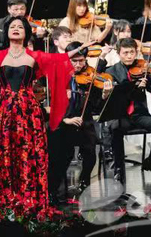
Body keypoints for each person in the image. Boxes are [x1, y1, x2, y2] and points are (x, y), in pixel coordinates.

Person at [0, 16, 93, 223]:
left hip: (28, 111)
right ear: (7, 31)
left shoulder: (33, 55)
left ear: (26, 33)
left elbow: (58, 60)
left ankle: (27, 202)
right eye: (12, 26)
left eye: (20, 27)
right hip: (3, 111)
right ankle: (2, 199)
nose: (16, 29)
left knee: (28, 154)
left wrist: (79, 49)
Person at [48, 41, 113, 200]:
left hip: (84, 122)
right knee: (62, 155)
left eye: (81, 61)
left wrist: (105, 95)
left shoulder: (90, 78)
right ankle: (54, 189)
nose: (78, 65)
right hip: (63, 122)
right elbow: (49, 106)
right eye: (74, 61)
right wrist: (66, 120)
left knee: (90, 151)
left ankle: (84, 181)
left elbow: (97, 107)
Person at [105, 38, 151, 181]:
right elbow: (115, 94)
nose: (129, 56)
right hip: (121, 115)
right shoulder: (111, 71)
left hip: (139, 114)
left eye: (132, 52)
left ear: (136, 52)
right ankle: (118, 168)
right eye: (125, 53)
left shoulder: (142, 68)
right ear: (118, 53)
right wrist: (134, 87)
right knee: (115, 129)